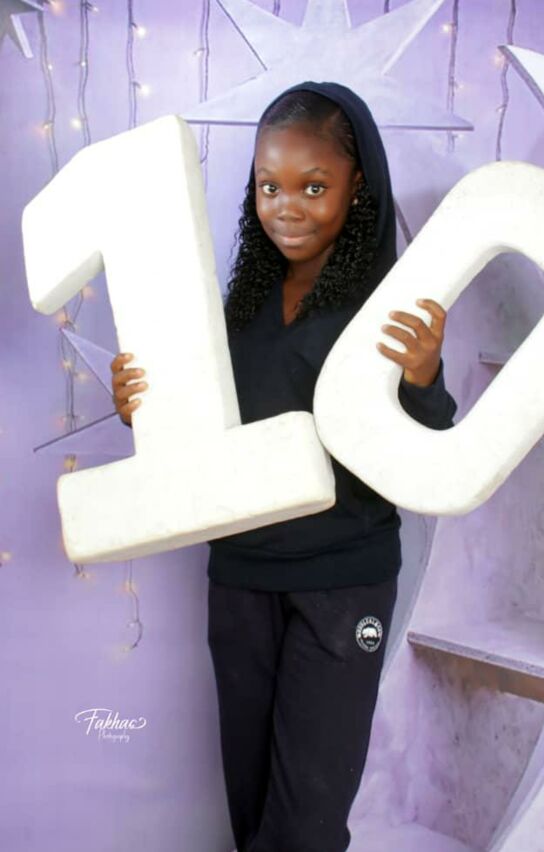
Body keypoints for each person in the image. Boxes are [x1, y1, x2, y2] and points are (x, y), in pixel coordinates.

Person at [110, 81, 457, 852]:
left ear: (357, 185)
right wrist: (142, 407)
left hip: (343, 581)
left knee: (305, 825)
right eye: (270, 186)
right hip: (241, 577)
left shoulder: (387, 304)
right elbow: (195, 430)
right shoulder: (240, 305)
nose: (286, 207)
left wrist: (424, 377)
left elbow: (434, 443)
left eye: (313, 187)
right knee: (253, 803)